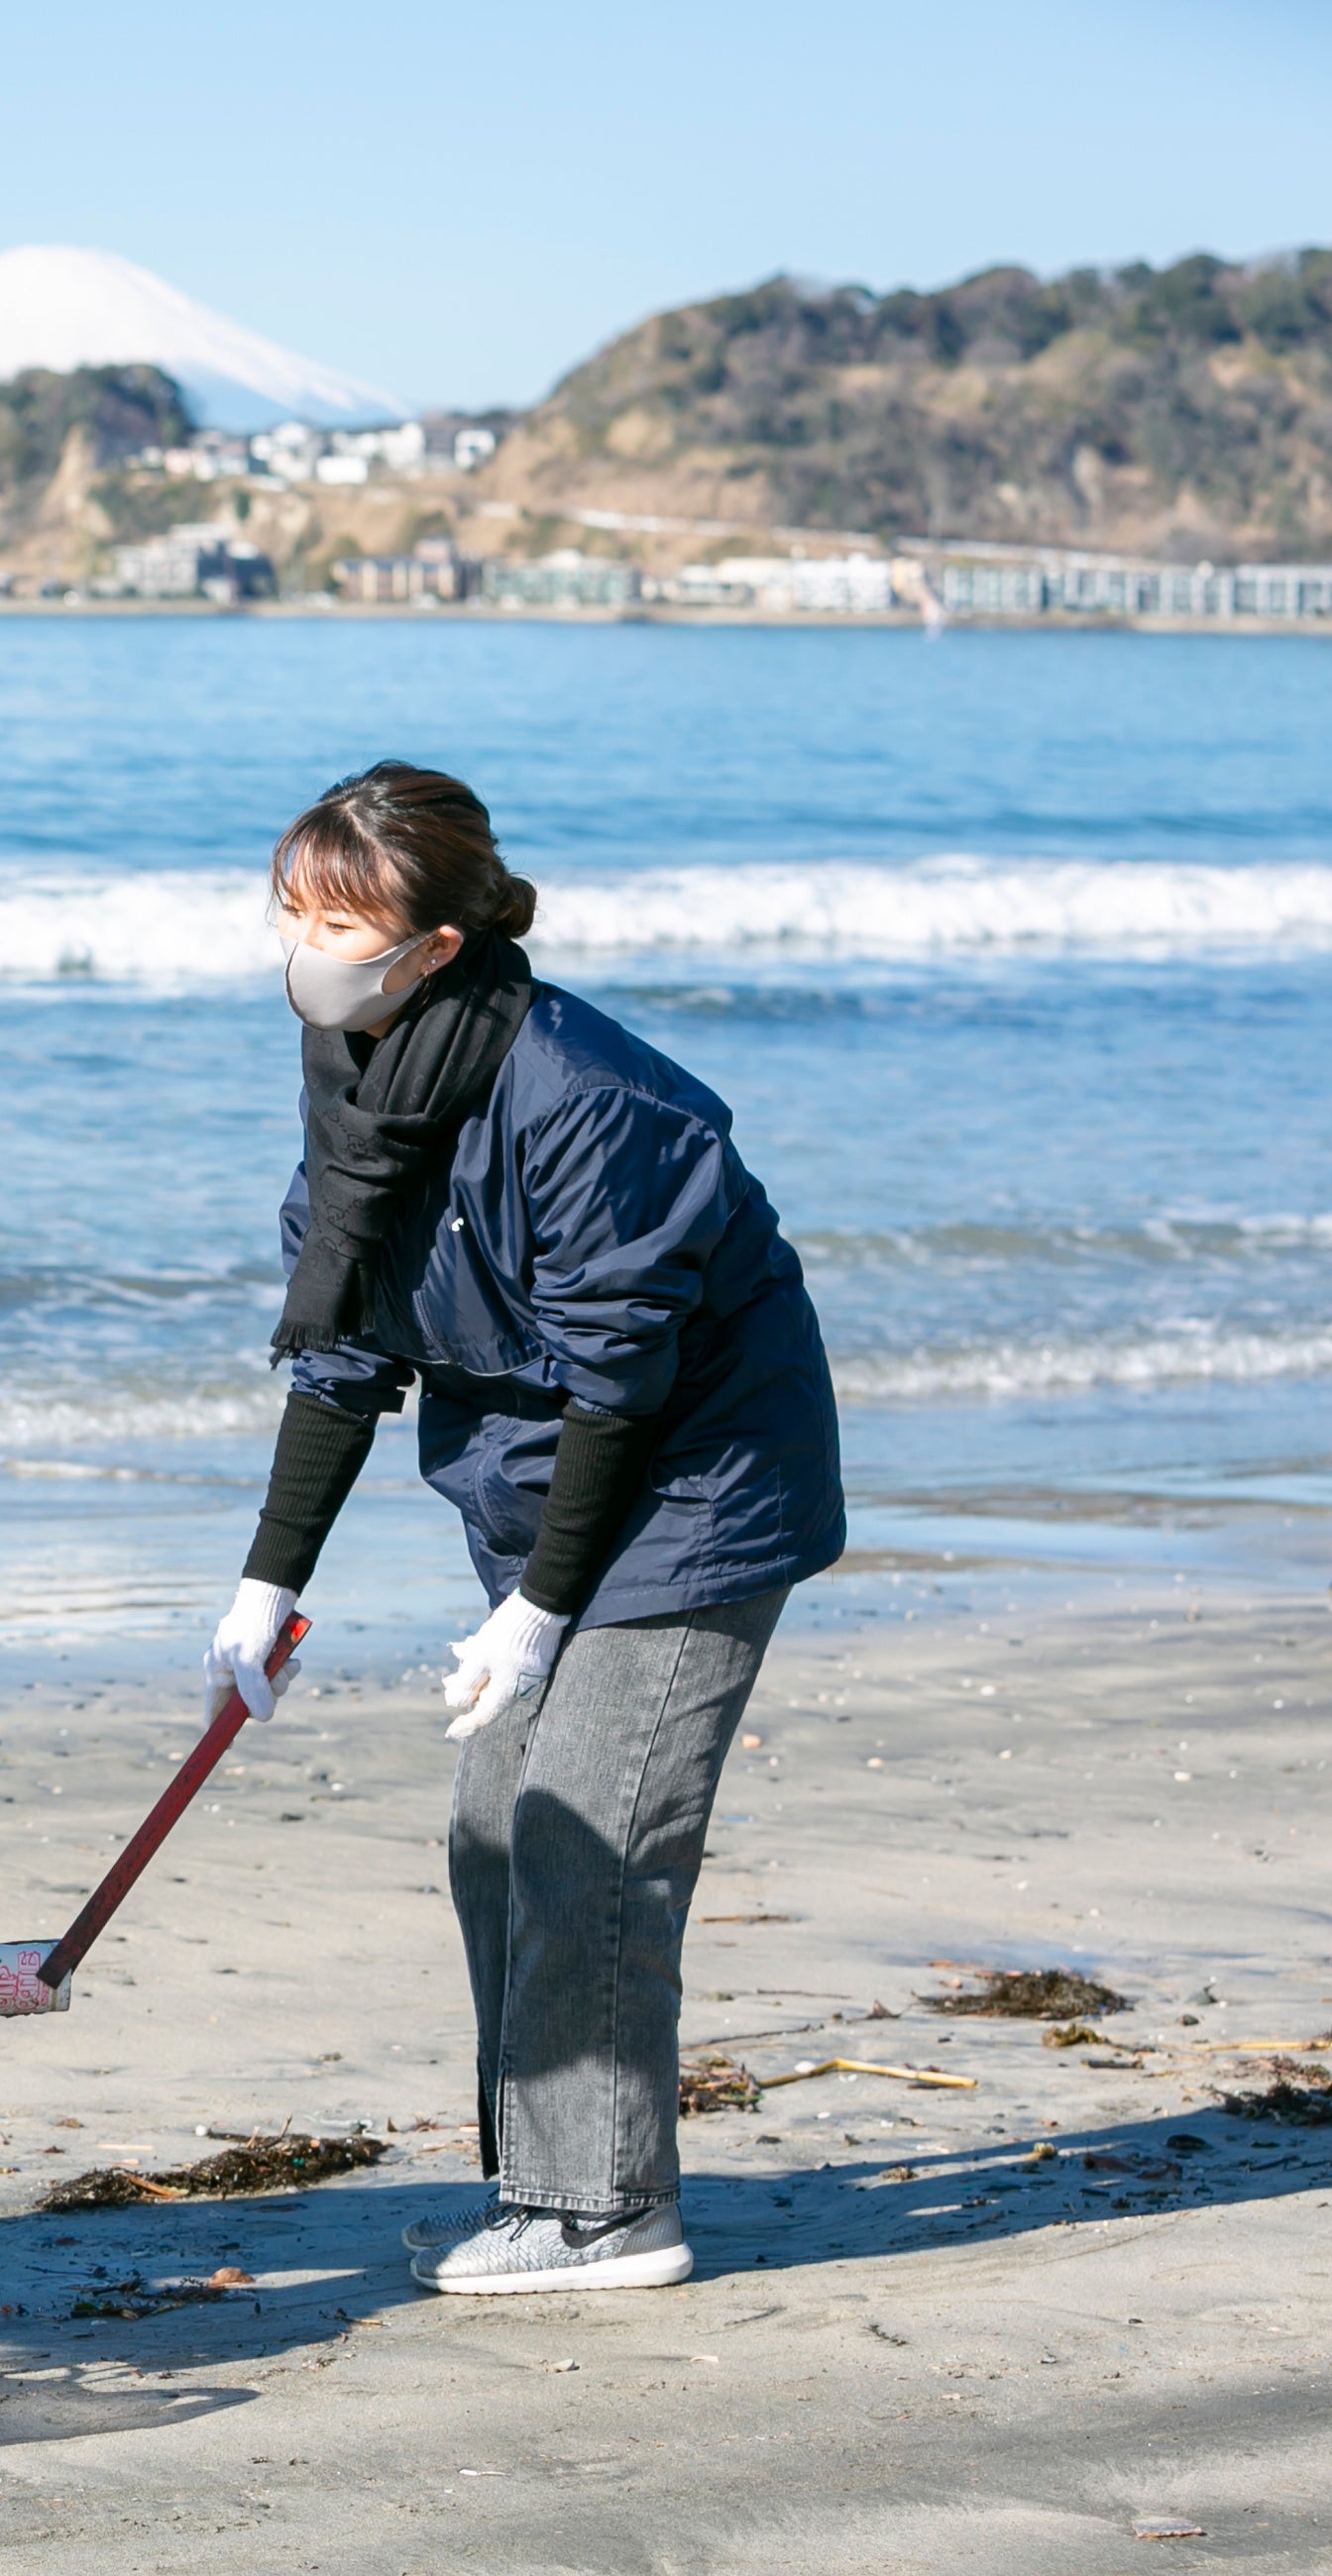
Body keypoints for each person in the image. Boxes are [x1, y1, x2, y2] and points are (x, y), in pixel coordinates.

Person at [197, 762, 843, 2297]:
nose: (306, 946)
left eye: (341, 920)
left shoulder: (587, 1097)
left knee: (590, 1839)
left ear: (436, 943)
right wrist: (263, 1582)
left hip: (693, 1479)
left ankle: (609, 2210)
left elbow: (627, 1379)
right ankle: (540, 2185)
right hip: (541, 1493)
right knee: (495, 1829)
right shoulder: (354, 1073)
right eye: (291, 911)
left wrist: (540, 1612)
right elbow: (347, 1349)